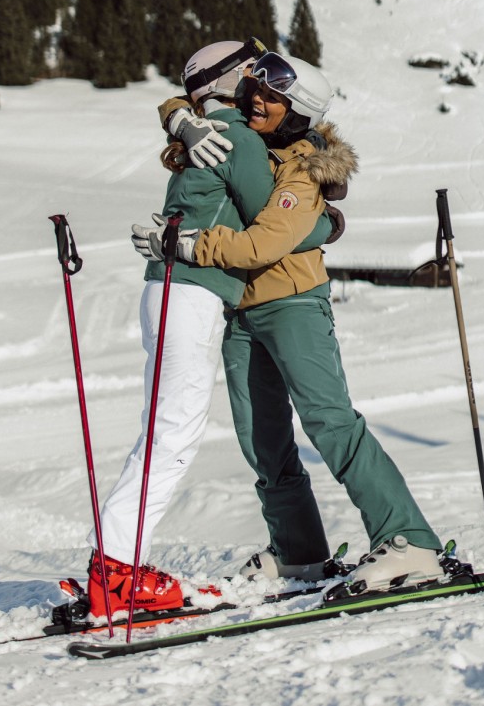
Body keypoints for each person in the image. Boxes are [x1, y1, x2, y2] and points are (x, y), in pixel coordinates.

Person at [140, 52, 448, 595]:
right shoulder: (245, 139)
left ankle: (410, 542)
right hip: (242, 308)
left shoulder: (303, 167)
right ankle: (299, 551)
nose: (256, 100)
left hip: (294, 304)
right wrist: (178, 118)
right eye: (254, 88)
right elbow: (191, 99)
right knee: (262, 440)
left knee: (330, 421)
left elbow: (264, 242)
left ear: (297, 111)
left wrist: (188, 245)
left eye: (272, 96)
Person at [80, 40, 334, 619]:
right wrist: (328, 219)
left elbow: (184, 104)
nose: (259, 77)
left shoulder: (200, 131)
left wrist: (178, 116)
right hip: (190, 293)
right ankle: (116, 574)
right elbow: (278, 222)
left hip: (171, 291)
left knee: (164, 430)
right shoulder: (238, 138)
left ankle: (114, 565)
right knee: (171, 435)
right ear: (231, 79)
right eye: (251, 69)